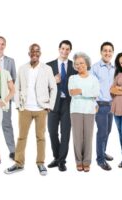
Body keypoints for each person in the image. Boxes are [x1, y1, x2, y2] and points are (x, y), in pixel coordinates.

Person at [4, 44, 57, 176]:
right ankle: (18, 163)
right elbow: (17, 88)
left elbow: (53, 88)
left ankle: (40, 163)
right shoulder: (22, 68)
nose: (34, 53)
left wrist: (49, 106)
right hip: (25, 109)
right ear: (29, 53)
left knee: (40, 137)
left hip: (41, 109)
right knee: (22, 137)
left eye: (37, 51)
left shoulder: (47, 69)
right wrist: (18, 106)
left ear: (40, 53)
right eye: (32, 51)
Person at [47, 40, 76, 171]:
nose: (64, 51)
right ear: (59, 49)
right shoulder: (49, 66)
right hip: (53, 103)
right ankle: (56, 157)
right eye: (63, 48)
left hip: (68, 103)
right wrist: (53, 80)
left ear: (70, 51)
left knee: (65, 133)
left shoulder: (74, 66)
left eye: (67, 49)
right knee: (52, 132)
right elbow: (42, 86)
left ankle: (62, 161)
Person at [68, 52, 100, 172]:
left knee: (88, 137)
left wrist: (81, 90)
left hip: (89, 110)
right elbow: (72, 93)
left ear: (87, 63)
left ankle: (86, 161)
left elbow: (96, 93)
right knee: (77, 137)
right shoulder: (72, 78)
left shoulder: (94, 79)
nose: (79, 66)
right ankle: (78, 161)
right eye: (77, 64)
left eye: (82, 63)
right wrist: (86, 92)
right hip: (75, 110)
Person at [91, 41, 115, 171]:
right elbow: (91, 88)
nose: (107, 53)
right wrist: (94, 104)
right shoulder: (95, 68)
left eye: (110, 51)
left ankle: (103, 152)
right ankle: (100, 160)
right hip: (100, 105)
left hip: (112, 105)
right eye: (105, 50)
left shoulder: (115, 68)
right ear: (101, 52)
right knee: (102, 133)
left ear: (112, 53)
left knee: (108, 131)